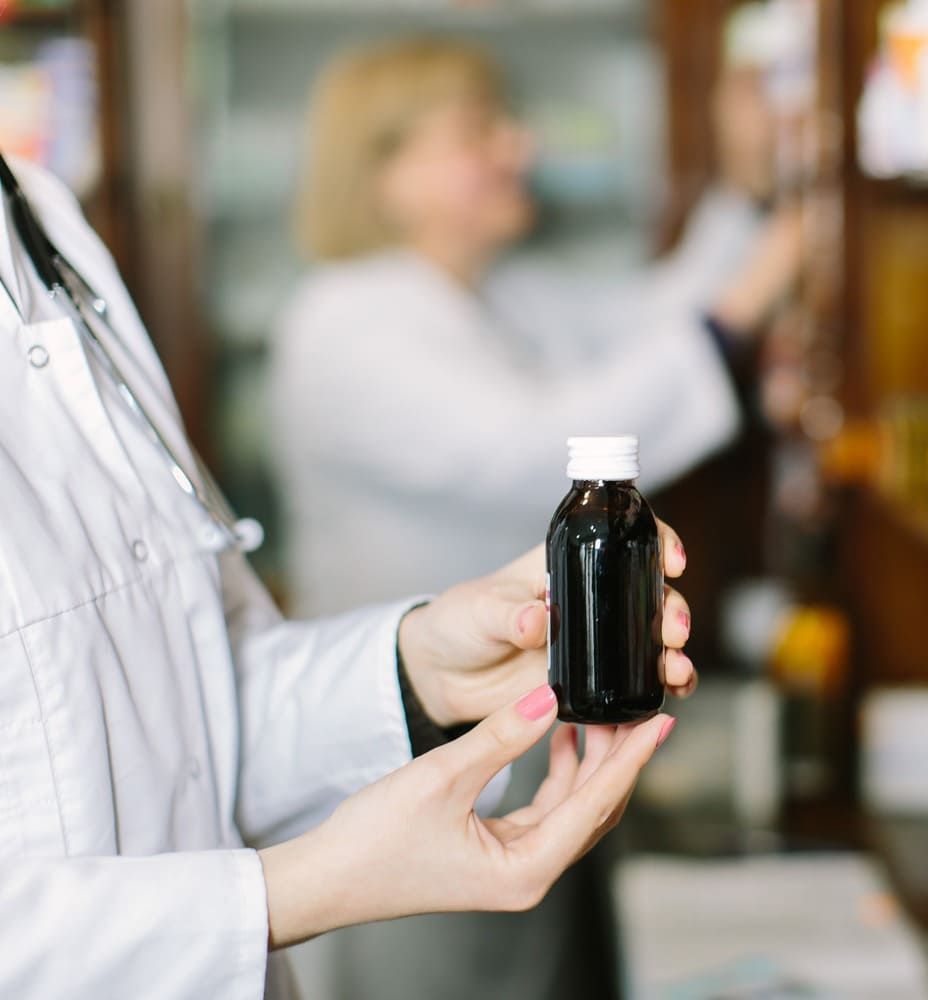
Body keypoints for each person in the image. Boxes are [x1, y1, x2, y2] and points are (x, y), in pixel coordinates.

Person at [0, 151, 696, 998]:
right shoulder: (353, 316)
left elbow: (182, 721)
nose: (515, 146)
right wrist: (296, 889)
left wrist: (418, 673)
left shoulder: (43, 223)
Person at [269, 36, 803, 616]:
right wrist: (748, 298)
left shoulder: (497, 289)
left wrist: (748, 187)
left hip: (503, 672)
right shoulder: (346, 323)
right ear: (387, 176)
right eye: (478, 133)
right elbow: (531, 451)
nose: (521, 146)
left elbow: (654, 317)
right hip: (409, 697)